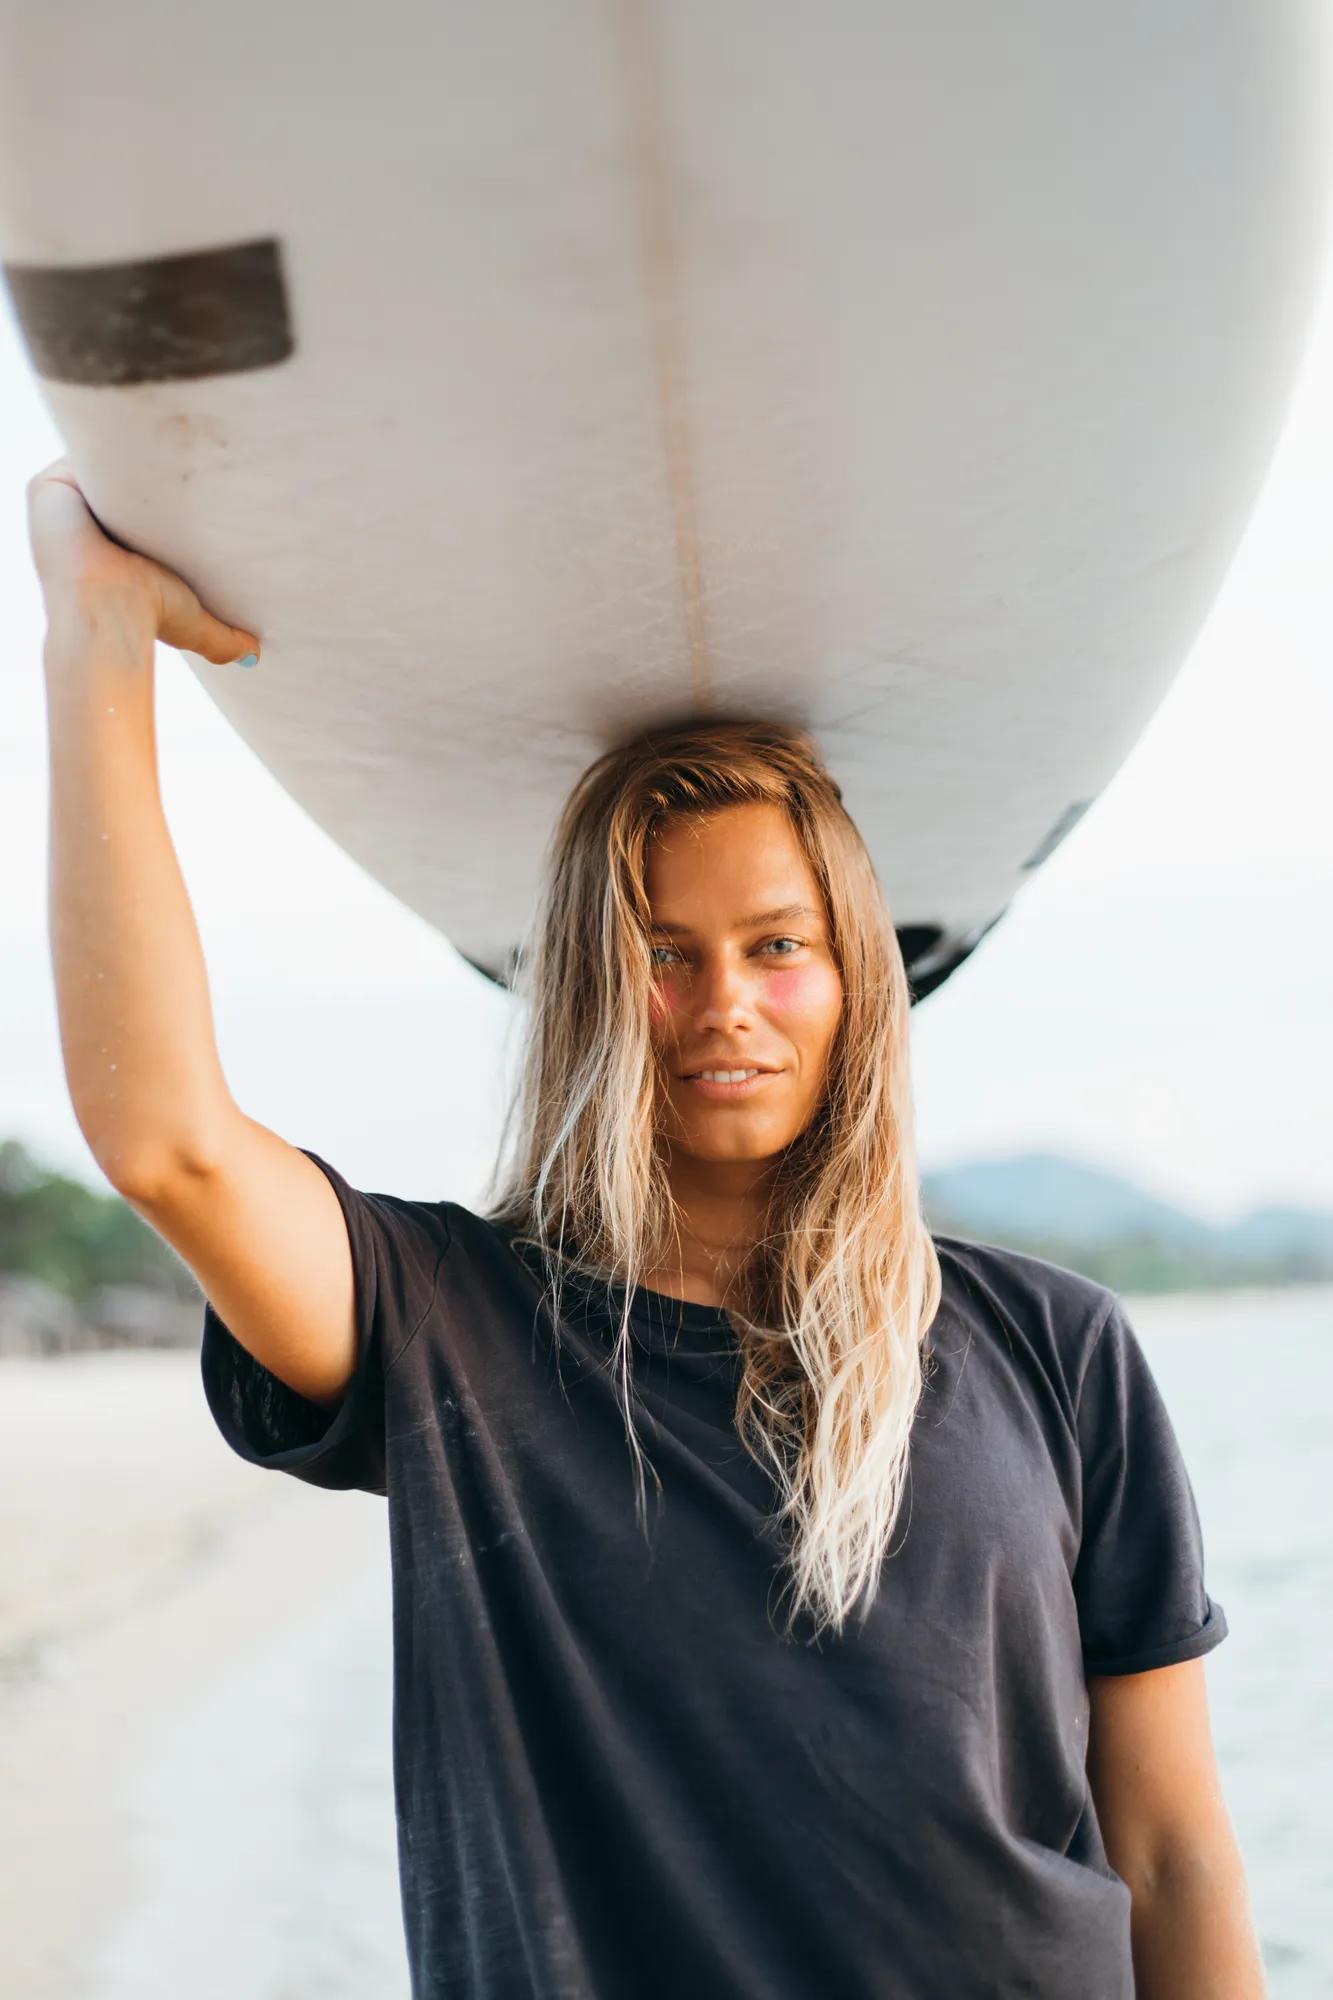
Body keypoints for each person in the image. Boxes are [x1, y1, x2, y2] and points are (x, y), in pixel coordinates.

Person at [27, 456, 1268, 1999]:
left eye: (777, 945)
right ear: (591, 992)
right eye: (663, 954)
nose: (724, 1002)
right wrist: (96, 644)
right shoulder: (449, 1323)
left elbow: (1171, 1850)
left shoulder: (1055, 1347)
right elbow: (167, 1144)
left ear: (853, 980)